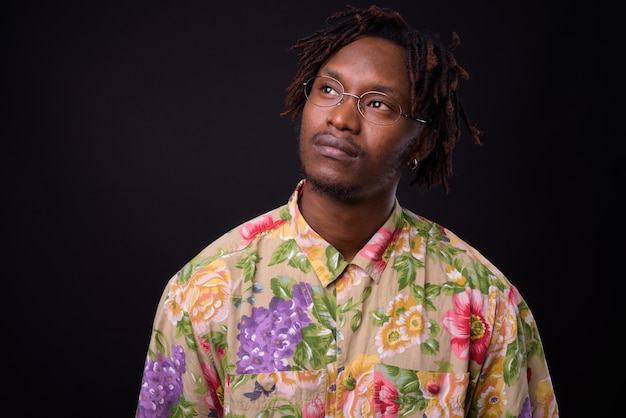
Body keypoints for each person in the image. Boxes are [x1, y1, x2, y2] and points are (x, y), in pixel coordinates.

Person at [135, 5, 558, 417]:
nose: (341, 117)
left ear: (420, 143)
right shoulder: (203, 291)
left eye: (378, 104)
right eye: (328, 89)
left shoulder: (486, 303)